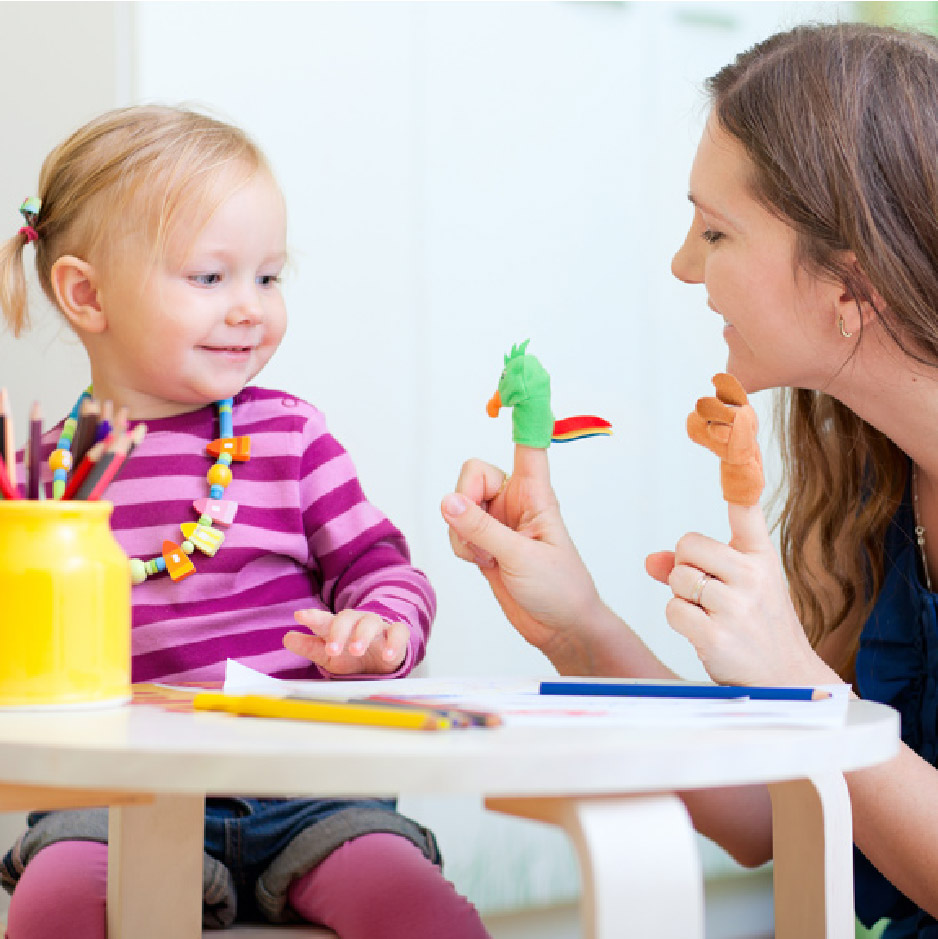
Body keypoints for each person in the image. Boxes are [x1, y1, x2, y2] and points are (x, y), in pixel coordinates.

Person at [442, 22, 938, 939]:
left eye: (716, 231)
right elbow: (768, 816)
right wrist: (578, 627)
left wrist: (801, 682)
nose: (682, 265)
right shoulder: (868, 485)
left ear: (850, 282)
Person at [0, 105, 489, 939]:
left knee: (413, 905)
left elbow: (381, 564)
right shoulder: (41, 476)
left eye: (268, 276)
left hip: (310, 788)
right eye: (209, 277)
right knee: (53, 904)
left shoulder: (291, 436)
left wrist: (379, 629)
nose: (249, 308)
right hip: (116, 795)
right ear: (85, 293)